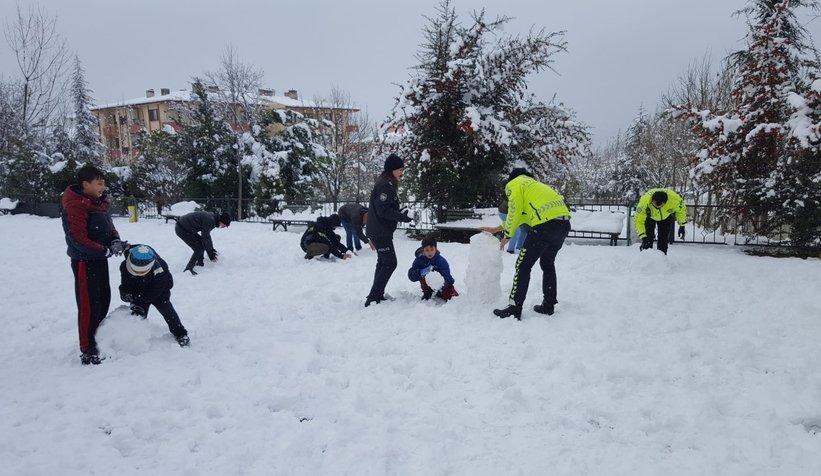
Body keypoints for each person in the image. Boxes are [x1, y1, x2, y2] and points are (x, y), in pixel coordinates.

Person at [480, 168, 571, 320]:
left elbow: (514, 211)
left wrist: (508, 235)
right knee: (548, 264)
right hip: (563, 225)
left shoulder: (514, 184)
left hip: (544, 226)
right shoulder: (534, 187)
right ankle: (549, 305)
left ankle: (515, 307)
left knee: (523, 265)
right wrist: (498, 229)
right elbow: (522, 216)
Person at [61, 165, 127, 365]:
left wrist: (115, 240)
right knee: (89, 305)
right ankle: (88, 348)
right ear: (85, 184)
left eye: (103, 183)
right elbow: (78, 238)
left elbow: (109, 226)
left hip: (99, 260)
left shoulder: (98, 202)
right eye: (99, 183)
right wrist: (103, 250)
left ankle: (99, 338)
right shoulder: (75, 204)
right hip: (84, 261)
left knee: (102, 299)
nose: (102, 187)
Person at [365, 153, 413, 307]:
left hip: (380, 230)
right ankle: (373, 296)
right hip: (380, 231)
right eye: (399, 169)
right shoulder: (385, 185)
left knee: (383, 262)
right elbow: (382, 210)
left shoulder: (387, 183)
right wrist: (402, 217)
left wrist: (401, 212)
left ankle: (376, 294)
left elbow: (386, 208)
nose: (402, 172)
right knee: (390, 263)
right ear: (391, 170)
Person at [119, 244, 190, 347]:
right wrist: (126, 294)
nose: (141, 274)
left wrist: (143, 300)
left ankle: (180, 333)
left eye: (143, 271)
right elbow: (126, 284)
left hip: (160, 291)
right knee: (137, 315)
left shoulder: (160, 267)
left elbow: (158, 288)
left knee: (167, 311)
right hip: (138, 290)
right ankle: (135, 338)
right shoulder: (124, 266)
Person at [635, 188, 687, 255]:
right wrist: (643, 236)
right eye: (654, 206)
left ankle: (662, 259)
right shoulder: (644, 202)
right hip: (650, 216)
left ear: (665, 203)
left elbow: (681, 211)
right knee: (647, 239)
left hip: (665, 217)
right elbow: (638, 220)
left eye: (659, 206)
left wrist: (682, 225)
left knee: (663, 239)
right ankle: (646, 257)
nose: (657, 208)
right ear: (652, 200)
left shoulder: (675, 201)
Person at [407, 235, 459, 301]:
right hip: (427, 287)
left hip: (443, 286)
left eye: (432, 249)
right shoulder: (419, 260)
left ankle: (442, 293)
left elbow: (448, 277)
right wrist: (421, 272)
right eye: (427, 250)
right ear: (423, 250)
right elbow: (411, 275)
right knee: (424, 280)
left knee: (454, 298)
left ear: (436, 249)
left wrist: (441, 284)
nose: (430, 252)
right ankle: (428, 293)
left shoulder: (441, 261)